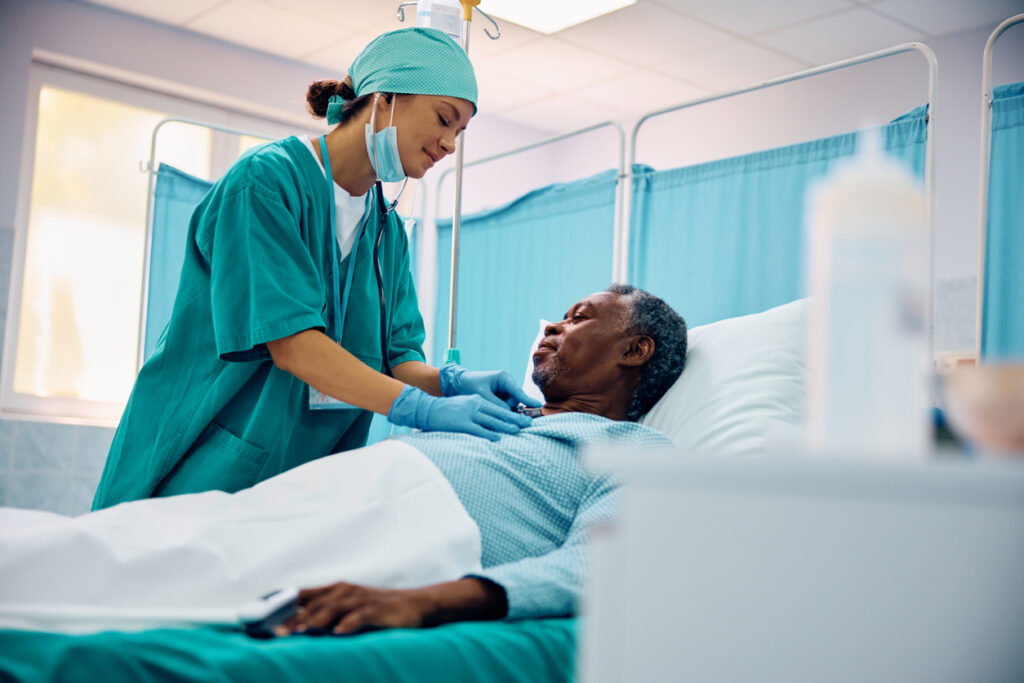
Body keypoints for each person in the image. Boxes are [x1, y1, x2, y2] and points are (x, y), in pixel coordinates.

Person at [0, 286, 686, 635]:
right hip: (343, 492)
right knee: (152, 537)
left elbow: (600, 564)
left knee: (170, 570)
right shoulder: (503, 418)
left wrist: (426, 601)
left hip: (415, 527)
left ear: (635, 351)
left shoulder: (639, 453)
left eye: (578, 317)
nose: (552, 330)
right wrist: (435, 393)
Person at [91, 27, 539, 510]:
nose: (450, 144)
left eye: (460, 132)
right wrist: (421, 409)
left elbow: (397, 360)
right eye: (444, 119)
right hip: (202, 460)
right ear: (384, 97)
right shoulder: (265, 184)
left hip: (303, 479)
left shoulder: (386, 232)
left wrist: (449, 384)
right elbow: (293, 345)